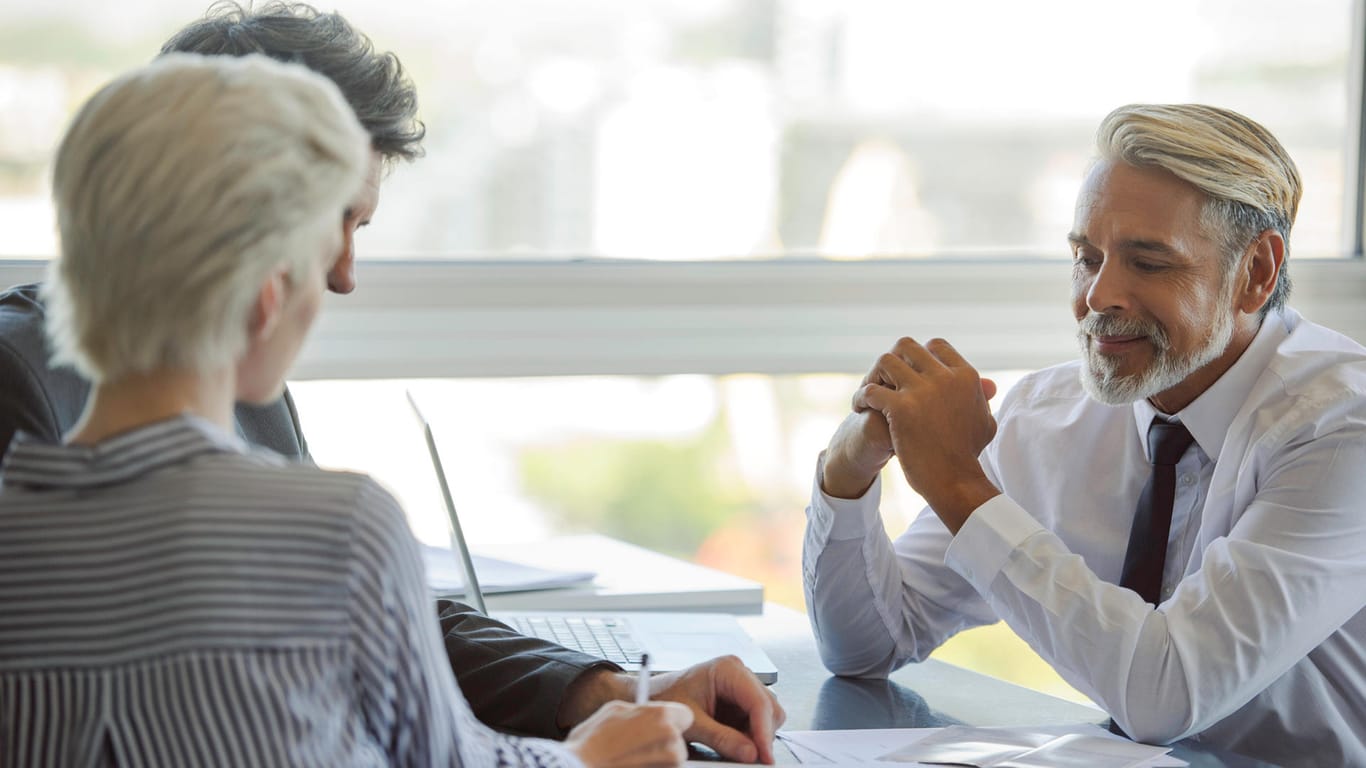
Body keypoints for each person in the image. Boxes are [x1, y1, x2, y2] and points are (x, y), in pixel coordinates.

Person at [0, 2, 783, 761]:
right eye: (334, 223)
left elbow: (349, 612)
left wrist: (600, 689)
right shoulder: (20, 378)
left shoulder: (232, 408)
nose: (341, 276)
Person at [803, 103, 1366, 766]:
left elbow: (1166, 693)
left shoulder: (1341, 428)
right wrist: (847, 470)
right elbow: (869, 644)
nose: (1099, 296)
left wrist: (959, 483)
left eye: (1148, 264)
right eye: (1086, 257)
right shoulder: (1047, 417)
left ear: (1257, 272)